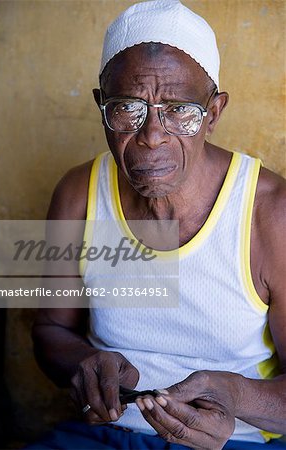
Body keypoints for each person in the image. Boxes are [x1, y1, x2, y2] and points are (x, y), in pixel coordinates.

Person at [29, 1, 286, 449]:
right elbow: (50, 331)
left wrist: (235, 395)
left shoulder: (272, 211)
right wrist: (84, 363)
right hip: (105, 436)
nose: (151, 134)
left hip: (237, 441)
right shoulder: (76, 192)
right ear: (100, 106)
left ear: (214, 111)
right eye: (128, 108)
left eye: (179, 110)